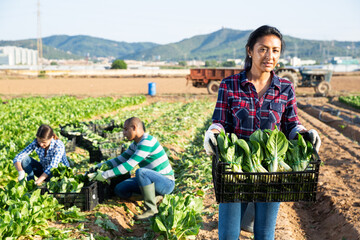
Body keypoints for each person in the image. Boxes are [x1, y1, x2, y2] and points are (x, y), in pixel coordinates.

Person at [203, 25, 321, 240]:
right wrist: (213, 131)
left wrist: (305, 134)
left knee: (265, 233)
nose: (270, 56)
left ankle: (250, 215)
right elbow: (220, 121)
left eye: (275, 50)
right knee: (229, 234)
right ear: (250, 51)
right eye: (263, 49)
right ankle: (246, 215)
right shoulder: (230, 85)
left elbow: (291, 125)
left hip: (269, 170)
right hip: (234, 168)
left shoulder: (285, 87)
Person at [93, 117, 175, 220]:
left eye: (126, 129)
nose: (124, 133)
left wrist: (105, 175)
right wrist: (98, 167)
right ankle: (154, 197)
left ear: (134, 128)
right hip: (151, 181)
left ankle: (151, 209)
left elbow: (128, 165)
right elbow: (120, 160)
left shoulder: (147, 142)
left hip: (166, 182)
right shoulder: (135, 144)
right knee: (119, 189)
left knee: (141, 172)